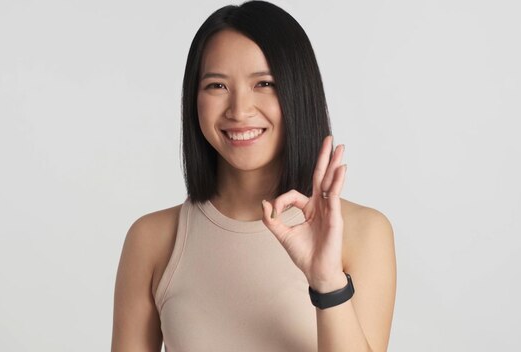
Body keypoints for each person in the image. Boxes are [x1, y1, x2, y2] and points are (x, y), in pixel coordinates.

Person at [111, 1, 396, 351]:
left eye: (263, 83)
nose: (240, 110)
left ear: (297, 92)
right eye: (217, 86)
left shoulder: (363, 231)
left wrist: (327, 282)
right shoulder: (152, 239)